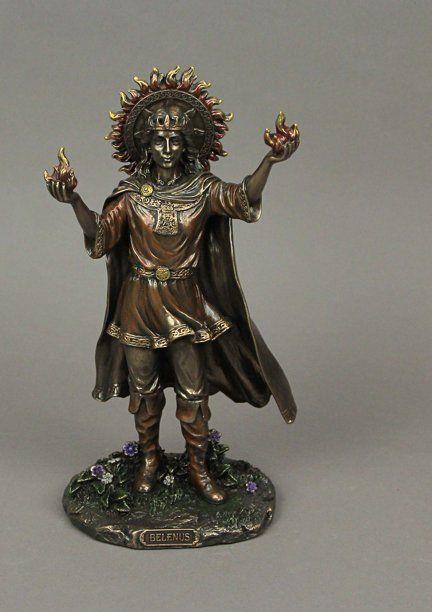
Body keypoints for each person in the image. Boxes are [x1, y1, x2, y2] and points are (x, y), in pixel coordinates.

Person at [45, 67, 300, 504]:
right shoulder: (130, 195)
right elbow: (101, 238)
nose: (166, 148)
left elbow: (242, 199)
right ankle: (149, 458)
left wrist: (270, 162)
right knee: (144, 391)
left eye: (175, 140)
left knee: (192, 390)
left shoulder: (202, 189)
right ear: (145, 144)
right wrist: (73, 201)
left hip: (187, 302)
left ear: (188, 144)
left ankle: (198, 466)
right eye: (158, 140)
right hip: (138, 303)